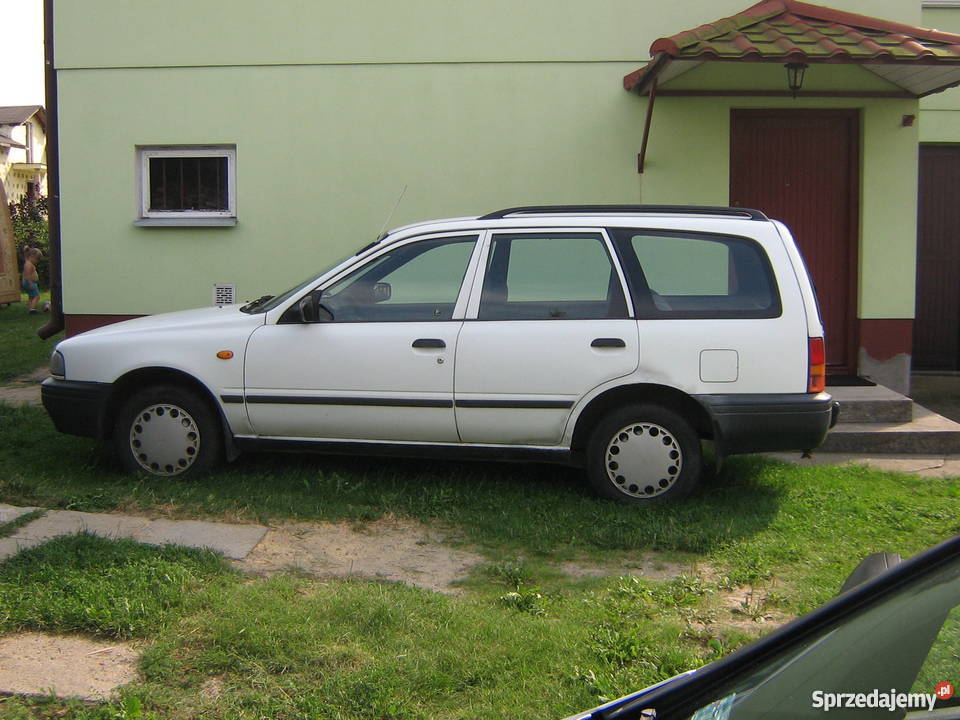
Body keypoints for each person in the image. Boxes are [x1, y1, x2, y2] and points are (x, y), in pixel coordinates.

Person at [21, 247, 47, 314]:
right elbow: (28, 275)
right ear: (32, 256)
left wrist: (26, 250)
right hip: (29, 282)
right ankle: (32, 309)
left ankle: (30, 308)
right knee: (37, 296)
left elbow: (26, 256)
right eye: (37, 259)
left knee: (31, 296)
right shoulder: (29, 264)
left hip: (27, 282)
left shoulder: (27, 262)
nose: (37, 261)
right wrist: (30, 283)